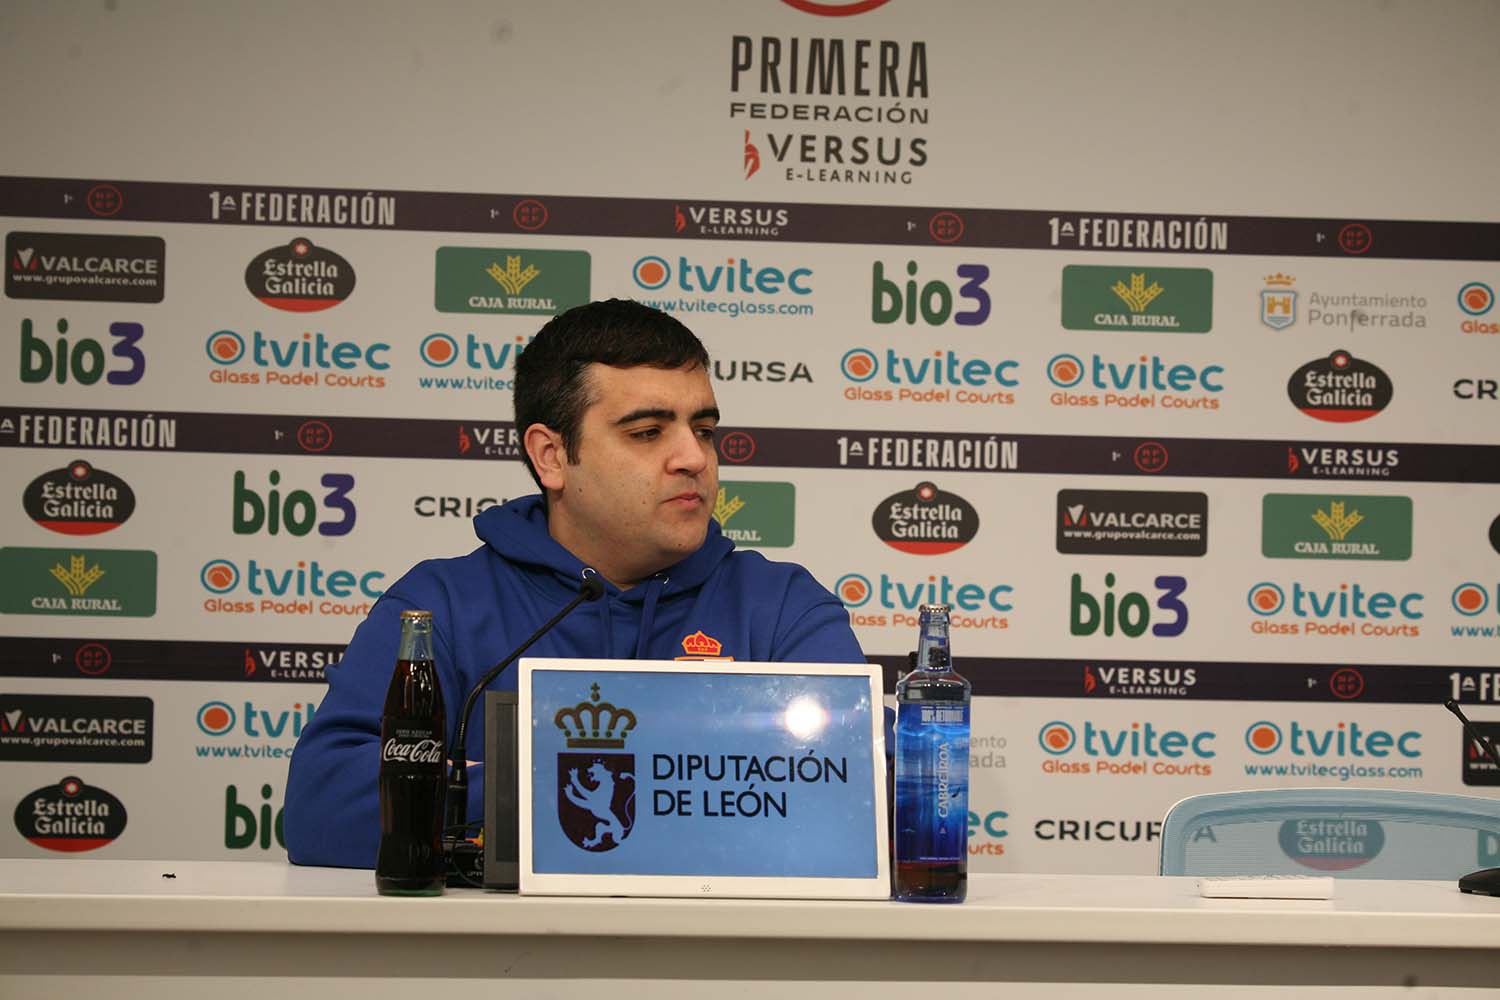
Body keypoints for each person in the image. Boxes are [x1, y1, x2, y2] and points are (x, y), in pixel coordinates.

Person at [284, 299, 865, 868]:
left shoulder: (782, 607)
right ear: (552, 456)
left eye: (704, 429)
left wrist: (552, 781)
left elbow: (865, 796)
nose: (693, 457)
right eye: (647, 433)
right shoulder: (442, 606)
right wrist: (628, 775)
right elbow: (324, 807)